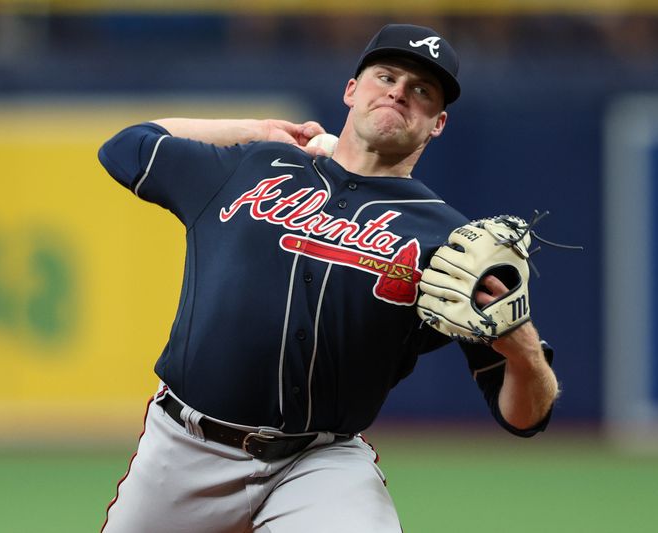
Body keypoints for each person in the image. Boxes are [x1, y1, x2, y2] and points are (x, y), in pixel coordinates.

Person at [97, 23, 558, 533]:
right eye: (385, 77)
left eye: (421, 91)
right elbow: (126, 147)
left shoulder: (452, 241)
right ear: (351, 90)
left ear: (437, 125)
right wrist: (254, 130)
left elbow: (523, 418)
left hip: (318, 465)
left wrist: (524, 350)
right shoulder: (251, 165)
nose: (399, 92)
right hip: (183, 449)